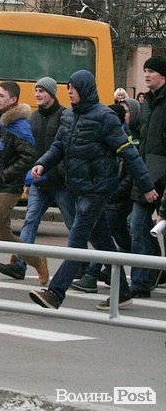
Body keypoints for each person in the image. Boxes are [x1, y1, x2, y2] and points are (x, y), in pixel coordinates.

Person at [28, 70, 157, 312]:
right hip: (78, 188)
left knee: (77, 239)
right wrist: (42, 163)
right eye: (68, 88)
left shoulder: (105, 118)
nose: (69, 92)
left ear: (85, 89)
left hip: (98, 189)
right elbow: (58, 146)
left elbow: (129, 153)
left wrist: (146, 186)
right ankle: (123, 293)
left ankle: (55, 293)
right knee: (103, 242)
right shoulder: (68, 116)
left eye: (73, 88)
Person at [0, 76, 72, 285]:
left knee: (72, 223)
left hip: (60, 183)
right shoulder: (33, 117)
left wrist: (57, 171)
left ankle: (80, 264)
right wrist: (30, 178)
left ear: (52, 94)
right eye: (36, 91)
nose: (38, 95)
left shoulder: (64, 116)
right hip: (39, 181)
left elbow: (64, 149)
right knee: (30, 221)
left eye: (42, 91)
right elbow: (30, 151)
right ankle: (20, 263)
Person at [0, 81, 40, 278]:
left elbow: (28, 157)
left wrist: (6, 174)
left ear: (13, 100)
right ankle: (38, 261)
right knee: (4, 234)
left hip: (9, 187)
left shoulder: (19, 126)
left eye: (2, 96)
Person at [71, 103, 133, 293]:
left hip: (114, 198)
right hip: (104, 195)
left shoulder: (122, 136)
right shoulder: (103, 131)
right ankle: (120, 288)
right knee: (104, 241)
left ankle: (60, 288)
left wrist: (113, 191)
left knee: (84, 238)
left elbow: (130, 170)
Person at [128, 56, 166, 297]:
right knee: (137, 224)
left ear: (163, 75)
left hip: (162, 176)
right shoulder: (147, 104)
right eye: (145, 71)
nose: (146, 75)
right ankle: (142, 281)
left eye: (151, 71)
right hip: (146, 176)